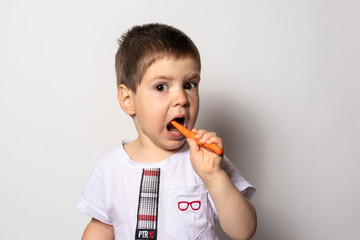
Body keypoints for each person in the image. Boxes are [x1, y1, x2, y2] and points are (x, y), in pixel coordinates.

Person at [76, 23, 257, 240]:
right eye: (161, 87)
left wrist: (214, 176)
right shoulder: (110, 166)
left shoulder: (206, 160)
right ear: (128, 100)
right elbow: (102, 228)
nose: (182, 98)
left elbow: (243, 231)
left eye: (190, 85)